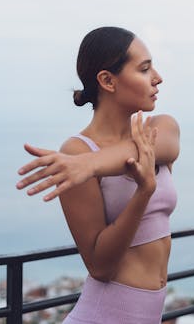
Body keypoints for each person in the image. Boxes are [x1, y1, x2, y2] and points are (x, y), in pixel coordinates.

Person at [16, 27, 180, 324]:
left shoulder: (160, 128)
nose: (158, 77)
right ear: (107, 80)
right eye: (144, 69)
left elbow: (155, 149)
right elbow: (100, 267)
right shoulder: (76, 152)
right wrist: (143, 192)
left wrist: (89, 165)